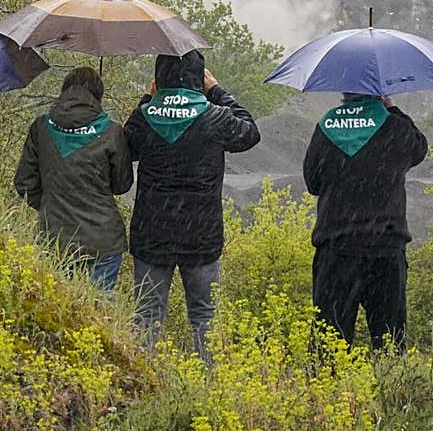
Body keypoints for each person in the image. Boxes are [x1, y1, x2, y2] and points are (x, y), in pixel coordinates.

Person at [124, 50, 260, 359]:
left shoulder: (146, 118)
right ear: (200, 79)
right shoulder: (215, 117)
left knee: (147, 316)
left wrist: (147, 99)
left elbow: (126, 146)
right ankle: (208, 388)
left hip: (152, 234)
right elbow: (250, 132)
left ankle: (145, 383)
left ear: (158, 80)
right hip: (201, 235)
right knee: (204, 317)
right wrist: (217, 90)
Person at [302, 91, 428, 350]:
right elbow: (419, 149)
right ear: (378, 93)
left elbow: (313, 183)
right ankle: (392, 388)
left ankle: (328, 390)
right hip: (386, 247)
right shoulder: (395, 128)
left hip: (337, 247)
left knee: (329, 342)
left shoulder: (327, 127)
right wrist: (392, 108)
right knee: (390, 342)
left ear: (344, 93)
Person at [14, 67, 133, 292]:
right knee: (100, 317)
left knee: (58, 312)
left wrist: (53, 203)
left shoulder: (41, 127)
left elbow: (25, 183)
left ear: (64, 91)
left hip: (56, 237)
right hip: (103, 240)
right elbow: (121, 185)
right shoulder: (112, 131)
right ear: (98, 95)